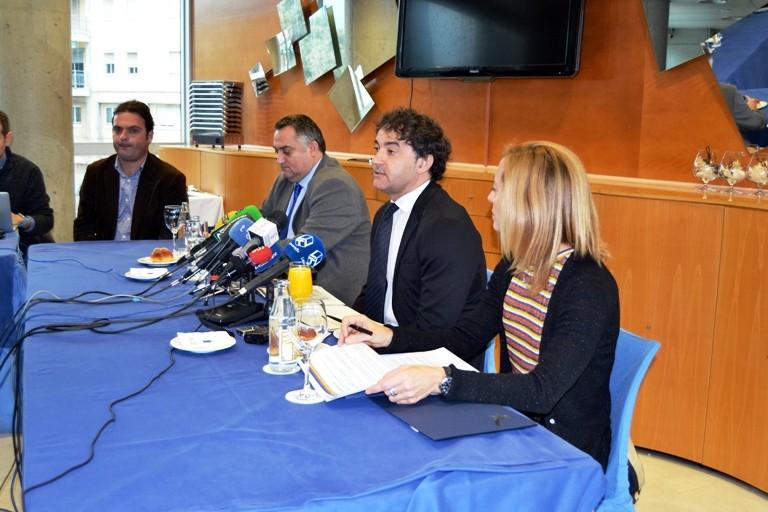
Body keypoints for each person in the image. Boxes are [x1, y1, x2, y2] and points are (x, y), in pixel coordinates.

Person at [340, 141, 619, 470]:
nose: (489, 199)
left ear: (530, 201)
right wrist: (389, 336)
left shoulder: (588, 285)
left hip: (563, 450)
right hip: (515, 420)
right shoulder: (515, 265)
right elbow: (465, 337)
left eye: (497, 189)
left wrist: (442, 380)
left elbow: (542, 391)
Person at [351, 108, 486, 336]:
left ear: (423, 163)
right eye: (377, 149)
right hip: (385, 339)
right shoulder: (386, 214)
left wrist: (381, 340)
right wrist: (351, 327)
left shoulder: (447, 226)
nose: (377, 160)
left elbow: (437, 327)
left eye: (391, 151)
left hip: (426, 349)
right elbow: (375, 288)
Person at [262, 114, 370, 304]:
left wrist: (257, 254)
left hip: (328, 297)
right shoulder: (285, 180)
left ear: (312, 148)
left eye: (286, 151)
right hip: (286, 285)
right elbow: (263, 223)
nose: (279, 159)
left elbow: (302, 248)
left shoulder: (335, 185)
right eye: (276, 151)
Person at [73, 100, 187, 241]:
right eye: (117, 130)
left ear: (149, 136)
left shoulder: (170, 179)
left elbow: (170, 234)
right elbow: (83, 227)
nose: (123, 137)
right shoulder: (95, 173)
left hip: (148, 254)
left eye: (133, 131)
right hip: (101, 253)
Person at [0, 110, 54, 256]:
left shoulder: (28, 171)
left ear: (7, 139)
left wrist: (21, 221)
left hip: (21, 250)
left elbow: (46, 219)